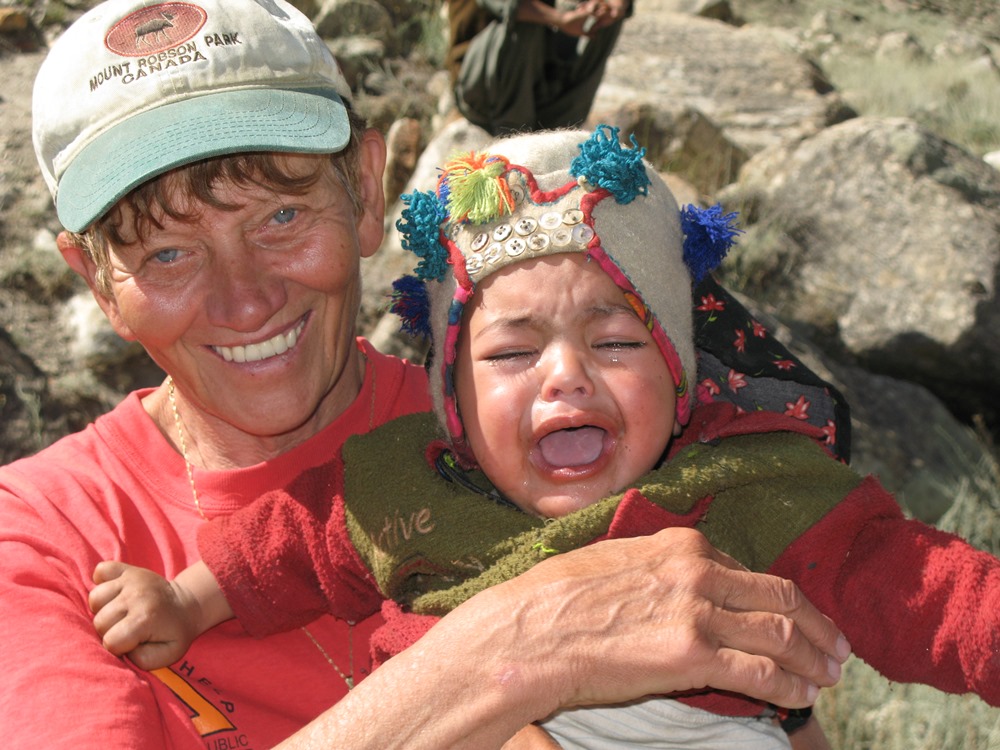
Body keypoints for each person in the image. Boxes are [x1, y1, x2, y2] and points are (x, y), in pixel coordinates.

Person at [4, 0, 851, 748]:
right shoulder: (42, 539)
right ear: (95, 282)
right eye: (167, 252)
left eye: (282, 214)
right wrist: (504, 653)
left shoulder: (561, 438)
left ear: (367, 193)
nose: (246, 299)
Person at [88, 126, 1000, 750]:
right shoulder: (402, 485)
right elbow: (284, 541)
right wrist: (183, 604)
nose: (565, 376)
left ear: (682, 370)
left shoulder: (753, 485)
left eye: (613, 342)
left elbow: (930, 592)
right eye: (513, 350)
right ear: (452, 393)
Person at [445, 0, 630, 135]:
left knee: (606, 18)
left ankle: (563, 127)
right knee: (525, 19)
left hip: (539, 78)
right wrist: (561, 19)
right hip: (482, 87)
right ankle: (512, 134)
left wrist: (611, 6)